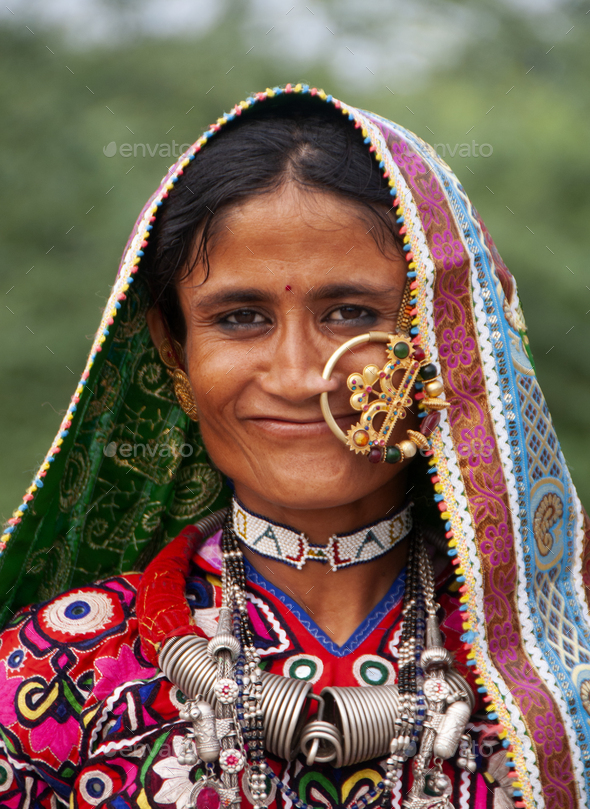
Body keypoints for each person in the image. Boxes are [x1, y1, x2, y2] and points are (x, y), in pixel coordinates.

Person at [0, 84, 587, 809]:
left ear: (447, 335)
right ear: (173, 348)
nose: (301, 375)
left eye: (350, 313)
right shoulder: (53, 674)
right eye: (241, 317)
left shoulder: (565, 663)